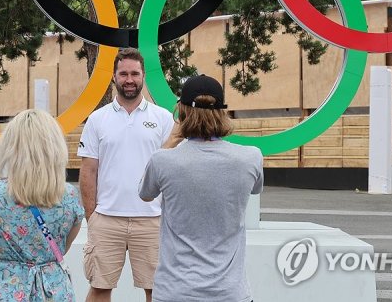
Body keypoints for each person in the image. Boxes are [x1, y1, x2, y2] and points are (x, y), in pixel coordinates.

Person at [139, 74, 264, 302]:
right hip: (229, 292)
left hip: (175, 292)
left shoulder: (164, 160)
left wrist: (169, 142)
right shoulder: (251, 158)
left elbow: (145, 193)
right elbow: (255, 189)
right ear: (222, 111)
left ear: (182, 113)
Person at [77, 47, 174, 302]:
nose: (129, 79)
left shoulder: (163, 119)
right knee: (99, 288)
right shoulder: (97, 120)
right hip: (107, 220)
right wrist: (92, 217)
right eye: (123, 74)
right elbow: (88, 171)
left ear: (143, 76)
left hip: (152, 221)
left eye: (134, 73)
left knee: (157, 291)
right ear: (114, 77)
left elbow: (172, 169)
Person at [0, 109, 84, 301]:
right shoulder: (69, 195)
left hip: (3, 291)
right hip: (54, 290)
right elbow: (63, 246)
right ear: (55, 147)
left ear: (11, 146)